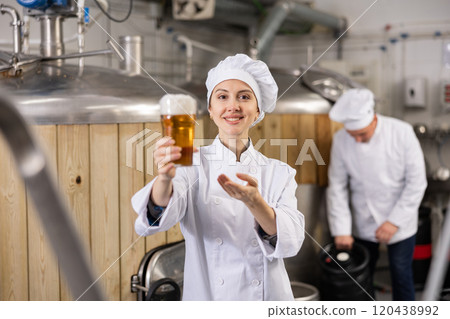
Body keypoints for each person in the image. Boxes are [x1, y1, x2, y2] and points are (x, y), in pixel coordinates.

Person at [132, 53, 305, 301]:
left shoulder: (279, 173)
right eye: (222, 96)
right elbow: (152, 221)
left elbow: (291, 243)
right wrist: (165, 178)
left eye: (244, 97)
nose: (233, 106)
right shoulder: (190, 163)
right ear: (211, 110)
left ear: (257, 111)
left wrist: (255, 202)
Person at [326, 88, 427, 301]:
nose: (359, 141)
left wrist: (394, 221)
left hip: (400, 219)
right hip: (364, 219)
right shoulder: (341, 140)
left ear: (373, 119)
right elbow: (337, 186)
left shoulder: (401, 132)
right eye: (354, 136)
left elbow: (417, 183)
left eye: (362, 134)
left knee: (401, 275)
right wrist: (341, 229)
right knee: (360, 279)